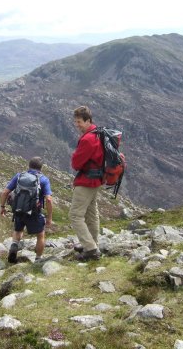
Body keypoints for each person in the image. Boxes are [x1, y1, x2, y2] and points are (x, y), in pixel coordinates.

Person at [0, 157, 53, 263]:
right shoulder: (43, 179)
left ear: (29, 165)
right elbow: (48, 199)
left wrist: (2, 207)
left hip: (19, 210)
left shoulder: (19, 176)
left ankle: (14, 245)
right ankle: (38, 259)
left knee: (18, 230)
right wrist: (49, 217)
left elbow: (5, 192)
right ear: (41, 168)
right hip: (34, 213)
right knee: (40, 235)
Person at [69, 106, 104, 261]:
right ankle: (92, 243)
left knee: (75, 215)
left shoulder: (88, 139)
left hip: (87, 181)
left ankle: (90, 249)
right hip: (96, 179)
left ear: (88, 120)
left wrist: (75, 156)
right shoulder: (98, 133)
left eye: (79, 122)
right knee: (91, 214)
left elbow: (76, 163)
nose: (77, 125)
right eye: (75, 122)